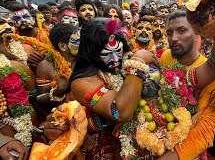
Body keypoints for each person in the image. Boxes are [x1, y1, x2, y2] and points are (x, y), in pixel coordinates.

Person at [44, 18, 157, 159]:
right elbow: (120, 111)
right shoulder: (82, 81)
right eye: (107, 54)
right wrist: (137, 63)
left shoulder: (124, 63)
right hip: (108, 148)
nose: (115, 59)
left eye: (118, 51)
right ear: (92, 52)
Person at [157, 10, 215, 159]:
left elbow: (205, 130)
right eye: (169, 32)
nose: (173, 38)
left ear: (197, 33)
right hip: (159, 135)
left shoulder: (213, 76)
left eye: (182, 31)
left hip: (186, 148)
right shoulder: (166, 56)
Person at [35, 23, 79, 118]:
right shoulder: (46, 66)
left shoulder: (86, 60)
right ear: (62, 46)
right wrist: (59, 91)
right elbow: (40, 98)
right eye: (77, 41)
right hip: (62, 116)